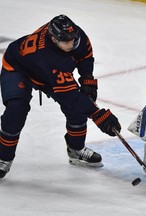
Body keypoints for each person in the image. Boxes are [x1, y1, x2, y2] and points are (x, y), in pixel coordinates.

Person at [0, 14, 121, 178]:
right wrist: (98, 115)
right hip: (18, 67)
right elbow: (70, 97)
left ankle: (76, 149)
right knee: (16, 110)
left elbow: (85, 56)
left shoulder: (76, 34)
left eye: (73, 38)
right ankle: (3, 158)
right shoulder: (50, 57)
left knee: (77, 109)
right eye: (66, 41)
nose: (72, 43)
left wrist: (87, 79)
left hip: (46, 71)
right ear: (53, 39)